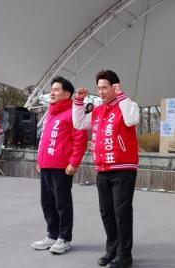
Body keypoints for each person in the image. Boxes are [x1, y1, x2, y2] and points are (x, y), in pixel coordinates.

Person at [73, 70, 139, 268]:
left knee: (122, 212)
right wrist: (78, 101)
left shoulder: (127, 105)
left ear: (115, 87)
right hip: (102, 169)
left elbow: (132, 120)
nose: (100, 92)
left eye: (104, 87)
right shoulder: (98, 111)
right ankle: (112, 250)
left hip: (123, 168)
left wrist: (122, 96)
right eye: (98, 88)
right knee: (107, 212)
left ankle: (125, 255)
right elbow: (78, 123)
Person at [32, 76, 87, 254]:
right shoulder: (51, 114)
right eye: (51, 90)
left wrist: (74, 162)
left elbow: (80, 140)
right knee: (47, 202)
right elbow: (44, 140)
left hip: (62, 167)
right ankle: (52, 235)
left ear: (67, 93)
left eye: (56, 90)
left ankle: (64, 237)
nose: (52, 93)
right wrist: (40, 161)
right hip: (46, 165)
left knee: (62, 203)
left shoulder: (73, 113)